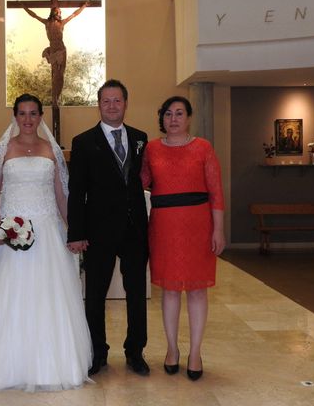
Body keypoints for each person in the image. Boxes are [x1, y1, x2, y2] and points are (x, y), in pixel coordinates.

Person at [0, 93, 92, 391]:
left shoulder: (51, 150)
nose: (28, 119)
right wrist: (0, 229)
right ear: (15, 117)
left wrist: (74, 232)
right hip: (11, 234)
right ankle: (5, 362)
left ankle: (52, 363)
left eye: (34, 113)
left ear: (41, 117)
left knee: (49, 295)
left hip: (47, 233)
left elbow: (62, 196)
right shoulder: (2, 151)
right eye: (23, 114)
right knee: (9, 295)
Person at [67, 79, 150, 376]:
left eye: (117, 100)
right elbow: (76, 192)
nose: (112, 106)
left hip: (135, 231)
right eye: (106, 101)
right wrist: (76, 233)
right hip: (98, 231)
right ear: (99, 105)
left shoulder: (141, 138)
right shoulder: (83, 142)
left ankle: (135, 351)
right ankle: (97, 352)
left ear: (126, 103)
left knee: (137, 293)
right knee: (96, 295)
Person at [140, 96, 225, 381]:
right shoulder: (151, 149)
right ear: (161, 118)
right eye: (167, 114)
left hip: (198, 225)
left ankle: (196, 352)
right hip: (164, 226)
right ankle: (172, 349)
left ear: (188, 118)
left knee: (198, 290)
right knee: (171, 289)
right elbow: (137, 183)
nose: (173, 119)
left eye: (179, 113)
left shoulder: (203, 148)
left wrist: (218, 229)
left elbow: (216, 191)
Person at [21, 2, 89, 107]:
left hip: (61, 50)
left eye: (60, 12)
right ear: (53, 12)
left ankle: (57, 98)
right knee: (55, 75)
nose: (60, 13)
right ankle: (54, 99)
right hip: (53, 49)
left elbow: (74, 14)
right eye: (58, 11)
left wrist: (84, 6)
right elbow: (34, 15)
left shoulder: (62, 23)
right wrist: (23, 6)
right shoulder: (46, 23)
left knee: (61, 75)